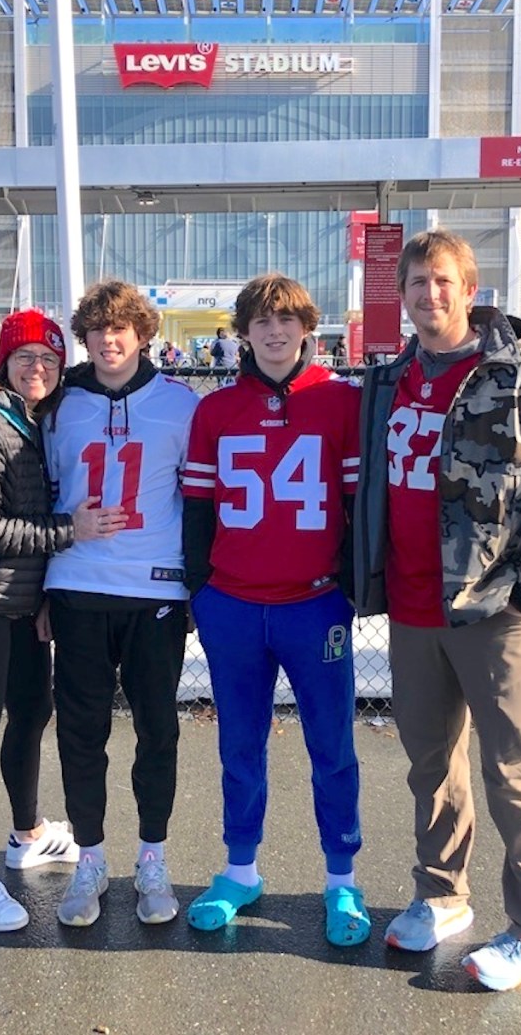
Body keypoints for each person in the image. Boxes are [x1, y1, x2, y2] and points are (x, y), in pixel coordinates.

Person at [353, 229, 521, 991]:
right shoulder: (389, 380)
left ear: (469, 287)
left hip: (496, 610)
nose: (430, 295)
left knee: (516, 773)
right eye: (418, 282)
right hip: (414, 607)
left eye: (443, 281)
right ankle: (441, 892)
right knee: (431, 767)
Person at [0, 308, 126, 932]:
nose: (38, 368)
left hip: (14, 601)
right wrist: (72, 532)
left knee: (33, 713)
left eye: (49, 358)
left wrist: (38, 598)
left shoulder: (30, 421)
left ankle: (27, 833)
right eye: (25, 357)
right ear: (2, 363)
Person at [182, 272, 369, 948]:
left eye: (285, 319)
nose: (273, 330)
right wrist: (199, 591)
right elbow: (198, 510)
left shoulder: (340, 402)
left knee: (333, 746)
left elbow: (356, 508)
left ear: (306, 328)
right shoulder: (215, 410)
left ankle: (340, 874)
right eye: (261, 320)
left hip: (312, 604)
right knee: (239, 745)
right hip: (233, 603)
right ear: (243, 332)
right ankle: (240, 868)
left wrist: (347, 588)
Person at [40, 280, 198, 929]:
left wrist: (197, 586)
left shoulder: (182, 406)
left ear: (143, 333)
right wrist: (41, 587)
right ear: (85, 337)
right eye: (98, 328)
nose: (110, 338)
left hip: (155, 591)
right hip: (77, 587)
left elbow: (200, 503)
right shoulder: (60, 406)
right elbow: (42, 493)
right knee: (82, 732)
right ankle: (92, 856)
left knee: (158, 729)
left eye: (121, 327)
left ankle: (152, 857)